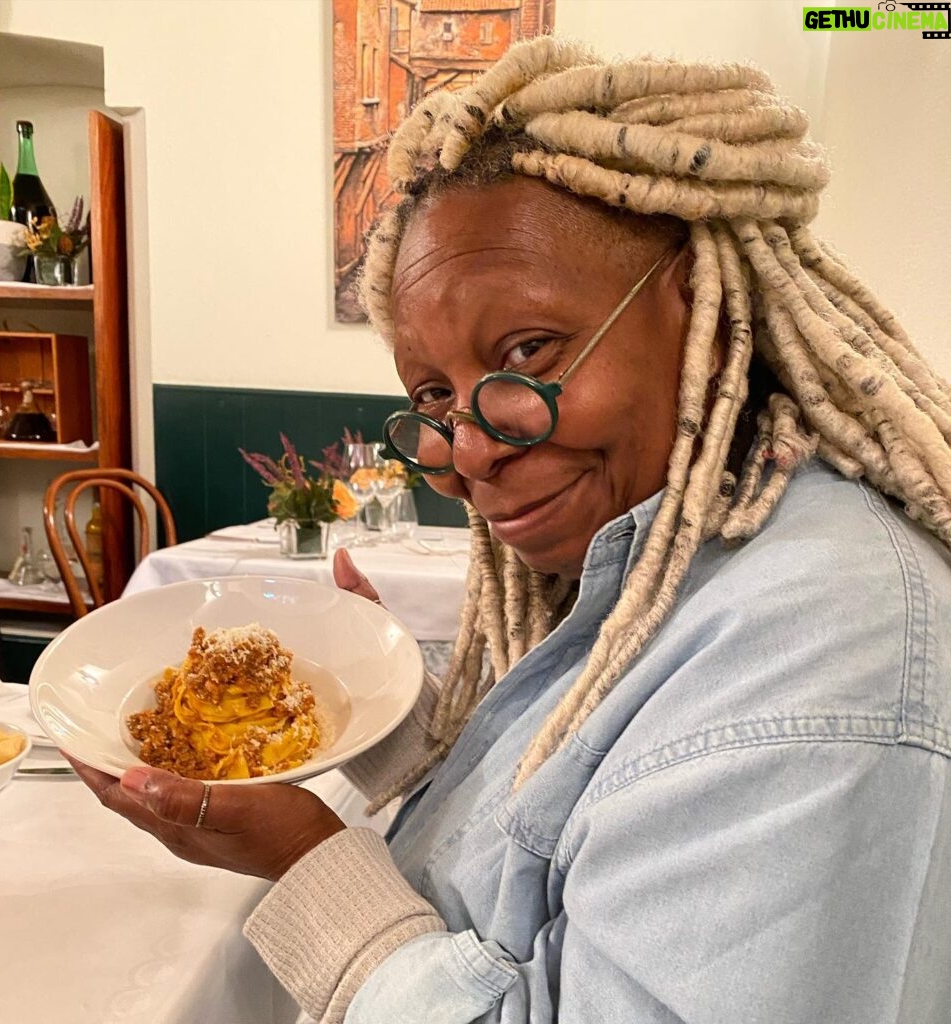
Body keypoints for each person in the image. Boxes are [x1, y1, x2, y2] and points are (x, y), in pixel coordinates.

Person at [71, 37, 951, 1023]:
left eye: (526, 351)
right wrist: (391, 729)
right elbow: (555, 828)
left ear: (699, 299)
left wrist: (301, 863)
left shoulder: (825, 649)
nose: (471, 451)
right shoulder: (660, 552)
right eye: (433, 395)